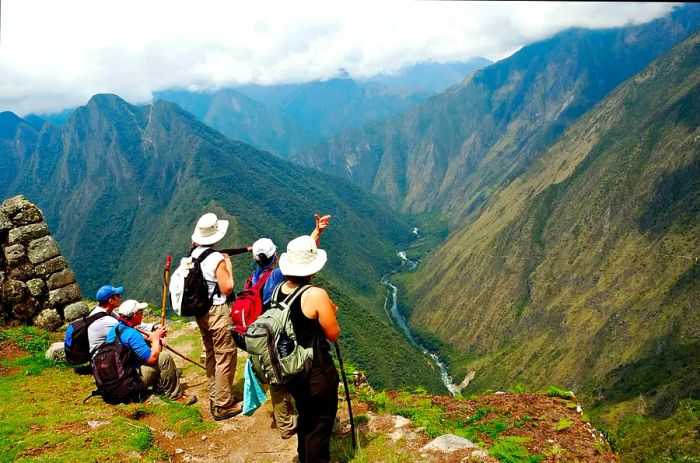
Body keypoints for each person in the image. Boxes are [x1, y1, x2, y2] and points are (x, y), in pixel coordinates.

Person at [241, 214, 331, 439]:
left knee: (276, 380)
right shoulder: (276, 275)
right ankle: (308, 419)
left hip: (260, 334)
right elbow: (300, 263)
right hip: (280, 333)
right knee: (292, 373)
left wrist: (316, 233)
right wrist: (316, 234)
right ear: (274, 257)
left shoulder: (254, 278)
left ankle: (285, 425)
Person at [274, 235, 340, 463]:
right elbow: (333, 334)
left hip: (292, 371)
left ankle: (303, 458)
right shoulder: (315, 294)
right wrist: (332, 312)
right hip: (316, 373)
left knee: (306, 419)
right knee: (319, 428)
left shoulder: (278, 291)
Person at [190, 212, 239, 420]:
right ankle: (223, 404)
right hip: (217, 311)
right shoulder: (217, 258)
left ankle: (215, 394)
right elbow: (227, 288)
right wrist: (228, 265)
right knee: (226, 355)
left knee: (211, 353)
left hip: (200, 312)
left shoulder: (192, 255)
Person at [105, 299, 196, 405]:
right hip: (130, 385)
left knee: (149, 347)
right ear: (134, 315)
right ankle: (176, 396)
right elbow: (152, 359)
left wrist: (151, 338)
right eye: (141, 312)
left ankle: (159, 385)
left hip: (116, 380)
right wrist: (156, 339)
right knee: (164, 358)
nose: (142, 315)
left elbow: (136, 339)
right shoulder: (132, 334)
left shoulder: (115, 329)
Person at [87, 284, 163, 354]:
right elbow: (129, 334)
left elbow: (127, 322)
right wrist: (155, 337)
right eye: (117, 295)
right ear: (111, 301)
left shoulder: (105, 312)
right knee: (145, 345)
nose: (120, 296)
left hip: (110, 350)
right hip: (105, 358)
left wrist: (153, 327)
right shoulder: (106, 321)